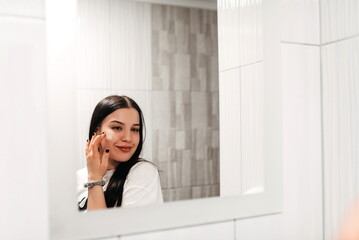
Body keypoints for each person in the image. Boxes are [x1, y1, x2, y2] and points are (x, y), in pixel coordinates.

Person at [77, 95, 163, 211]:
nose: (128, 138)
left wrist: (94, 179)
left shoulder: (143, 172)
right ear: (97, 131)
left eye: (135, 129)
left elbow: (99, 227)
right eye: (117, 128)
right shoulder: (77, 178)